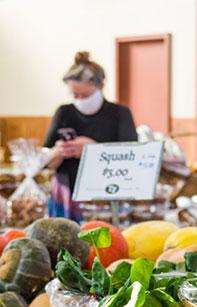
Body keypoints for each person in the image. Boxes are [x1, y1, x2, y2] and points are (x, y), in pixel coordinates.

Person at [44, 51, 138, 220]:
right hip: (67, 193)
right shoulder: (64, 112)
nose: (80, 100)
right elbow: (45, 155)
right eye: (75, 95)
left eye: (85, 95)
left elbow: (132, 158)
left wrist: (93, 151)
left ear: (100, 86)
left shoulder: (120, 114)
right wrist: (57, 153)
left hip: (106, 195)